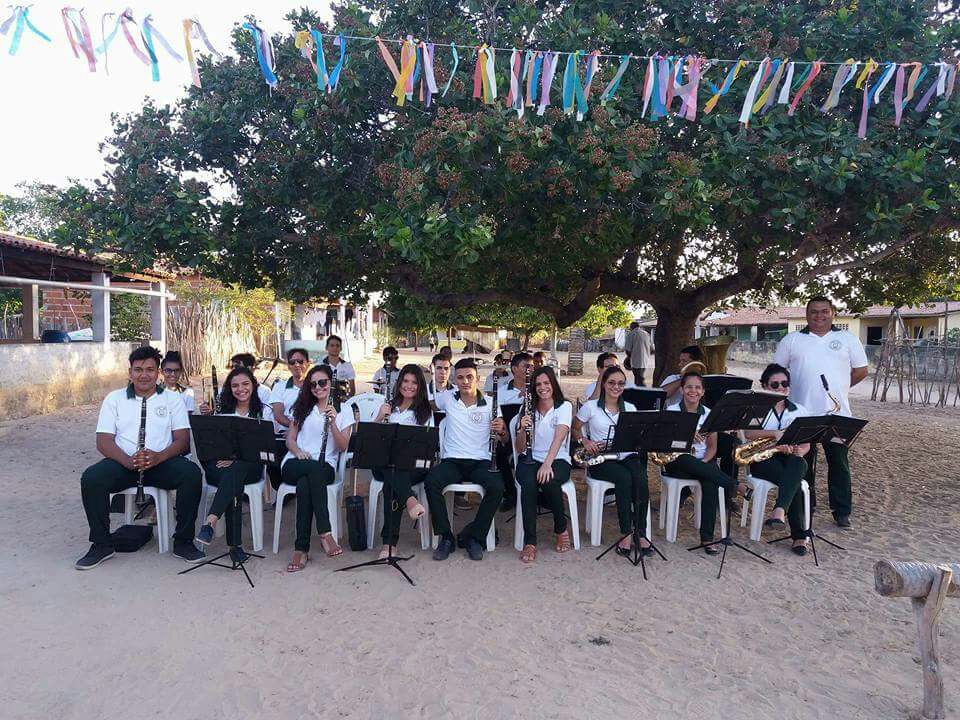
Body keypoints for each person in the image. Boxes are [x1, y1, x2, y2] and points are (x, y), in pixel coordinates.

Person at [76, 346, 204, 569]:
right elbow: (103, 441)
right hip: (124, 463)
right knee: (91, 478)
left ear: (158, 373)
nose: (144, 375)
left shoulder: (173, 399)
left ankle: (183, 541)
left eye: (150, 369)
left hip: (161, 463)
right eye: (138, 370)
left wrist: (158, 457)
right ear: (130, 372)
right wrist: (127, 460)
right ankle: (101, 544)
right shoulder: (114, 399)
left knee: (191, 474)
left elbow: (182, 441)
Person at [774, 297, 868, 528]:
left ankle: (841, 511)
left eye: (824, 311)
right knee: (802, 462)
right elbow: (777, 373)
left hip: (838, 415)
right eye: (814, 312)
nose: (819, 316)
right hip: (800, 415)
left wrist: (841, 388)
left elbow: (861, 370)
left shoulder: (847, 338)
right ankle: (807, 505)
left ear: (833, 313)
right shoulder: (792, 340)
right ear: (806, 315)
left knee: (839, 463)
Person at [426, 358, 505, 561]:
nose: (465, 381)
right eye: (460, 377)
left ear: (478, 378)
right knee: (431, 481)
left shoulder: (491, 403)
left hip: (481, 461)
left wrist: (501, 430)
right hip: (453, 461)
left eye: (470, 377)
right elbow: (428, 405)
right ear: (455, 380)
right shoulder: (447, 398)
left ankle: (475, 538)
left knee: (497, 487)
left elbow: (504, 438)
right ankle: (446, 537)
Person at [661, 371, 745, 554]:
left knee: (710, 482)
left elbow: (712, 447)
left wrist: (705, 462)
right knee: (685, 459)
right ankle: (733, 485)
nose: (693, 391)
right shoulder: (671, 411)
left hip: (703, 462)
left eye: (698, 387)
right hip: (677, 462)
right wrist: (686, 435)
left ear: (703, 391)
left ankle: (707, 538)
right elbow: (665, 444)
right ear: (682, 390)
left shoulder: (709, 414)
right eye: (689, 387)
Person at [195, 367, 275, 554]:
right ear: (229, 389)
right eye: (235, 386)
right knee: (234, 475)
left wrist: (236, 459)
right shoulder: (221, 410)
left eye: (245, 384)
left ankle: (211, 521)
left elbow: (266, 449)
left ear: (253, 385)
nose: (241, 389)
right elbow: (210, 445)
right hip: (220, 465)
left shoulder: (264, 411)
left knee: (237, 469)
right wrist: (207, 418)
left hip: (251, 466)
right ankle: (235, 546)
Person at [573, 365, 651, 556]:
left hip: (626, 455)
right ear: (604, 384)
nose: (616, 387)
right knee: (624, 478)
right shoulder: (591, 407)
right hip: (601, 459)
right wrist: (585, 441)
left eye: (621, 384)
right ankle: (626, 533)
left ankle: (640, 532)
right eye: (612, 383)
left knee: (641, 478)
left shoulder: (630, 408)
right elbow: (575, 428)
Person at [281, 364, 352, 571]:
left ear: (331, 383)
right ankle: (325, 532)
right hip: (295, 463)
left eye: (322, 383)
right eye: (313, 384)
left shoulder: (344, 409)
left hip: (325, 466)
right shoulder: (302, 407)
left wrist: (333, 422)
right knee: (310, 471)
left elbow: (343, 446)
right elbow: (290, 439)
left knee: (306, 484)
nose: (318, 388)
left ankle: (301, 549)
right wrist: (297, 452)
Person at [742, 363, 812, 556]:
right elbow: (748, 433)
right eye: (775, 385)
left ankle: (779, 511)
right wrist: (774, 434)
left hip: (790, 459)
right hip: (763, 459)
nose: (781, 388)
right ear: (765, 386)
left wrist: (799, 451)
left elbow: (807, 444)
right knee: (793, 480)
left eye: (784, 383)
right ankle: (799, 536)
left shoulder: (800, 410)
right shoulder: (758, 409)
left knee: (799, 462)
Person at [512, 366, 573, 563]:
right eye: (538, 384)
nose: (542, 387)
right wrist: (522, 429)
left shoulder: (564, 406)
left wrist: (547, 464)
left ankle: (561, 527)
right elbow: (519, 448)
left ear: (553, 383)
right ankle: (530, 541)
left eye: (546, 383)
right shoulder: (527, 408)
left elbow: (559, 438)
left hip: (557, 459)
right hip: (529, 459)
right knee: (528, 484)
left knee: (549, 480)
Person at [371, 364, 432, 558]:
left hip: (413, 466)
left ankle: (389, 544)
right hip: (384, 464)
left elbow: (427, 447)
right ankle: (410, 499)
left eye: (414, 382)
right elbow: (370, 438)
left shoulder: (424, 412)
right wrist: (380, 417)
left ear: (420, 386)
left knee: (392, 483)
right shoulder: (388, 407)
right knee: (392, 469)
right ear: (399, 383)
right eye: (405, 381)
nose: (409, 386)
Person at [494, 352, 532, 510]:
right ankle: (510, 493)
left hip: (533, 437)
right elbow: (498, 417)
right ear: (514, 369)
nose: (530, 369)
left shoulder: (538, 389)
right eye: (526, 366)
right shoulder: (502, 391)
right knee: (498, 452)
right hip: (510, 437)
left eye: (531, 366)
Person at [625, 321, 654, 387]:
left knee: (639, 379)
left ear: (632, 327)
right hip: (645, 361)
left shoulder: (631, 334)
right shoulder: (646, 334)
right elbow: (652, 350)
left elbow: (628, 350)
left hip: (635, 361)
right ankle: (638, 391)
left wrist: (628, 358)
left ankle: (642, 392)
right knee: (639, 378)